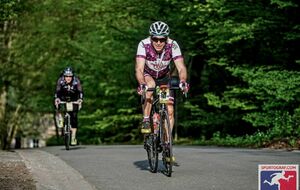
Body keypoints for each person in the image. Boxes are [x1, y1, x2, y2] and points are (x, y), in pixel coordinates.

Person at [135, 21, 189, 134]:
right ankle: (146, 119)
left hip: (164, 78)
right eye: (155, 39)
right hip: (148, 75)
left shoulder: (172, 45)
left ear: (166, 38)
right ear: (151, 38)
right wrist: (141, 83)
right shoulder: (144, 44)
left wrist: (183, 81)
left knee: (169, 110)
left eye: (162, 39)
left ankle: (166, 142)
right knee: (150, 86)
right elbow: (139, 68)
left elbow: (181, 67)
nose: (158, 42)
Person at [54, 67, 83, 145]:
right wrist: (57, 98)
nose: (68, 78)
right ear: (64, 76)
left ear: (72, 77)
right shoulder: (60, 81)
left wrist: (80, 99)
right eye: (66, 76)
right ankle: (60, 118)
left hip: (74, 99)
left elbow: (80, 91)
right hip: (63, 97)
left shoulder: (76, 81)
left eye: (70, 76)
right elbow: (57, 91)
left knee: (74, 117)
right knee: (57, 105)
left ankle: (73, 137)